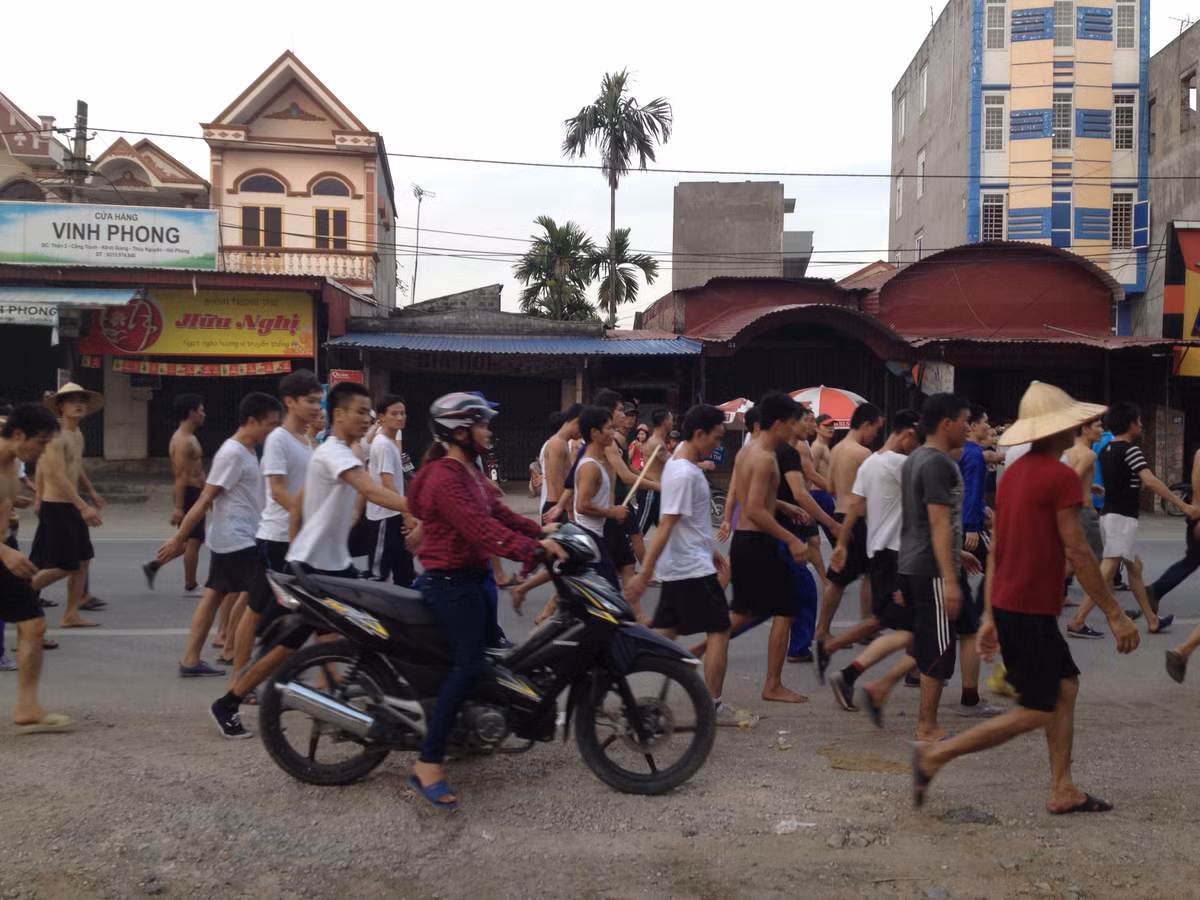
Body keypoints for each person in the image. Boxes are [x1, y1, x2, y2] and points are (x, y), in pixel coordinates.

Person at [913, 382, 1140, 813]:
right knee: (1036, 709)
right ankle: (936, 755)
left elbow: (999, 549)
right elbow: (1076, 548)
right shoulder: (1059, 476)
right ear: (1059, 428)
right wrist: (1114, 613)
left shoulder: (1014, 474)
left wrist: (990, 617)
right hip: (1029, 610)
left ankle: (1063, 787)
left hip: (1014, 606)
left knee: (1066, 686)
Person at [207, 381, 410, 739]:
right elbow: (370, 489)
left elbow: (299, 503)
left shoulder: (327, 451)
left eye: (370, 413)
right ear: (339, 414)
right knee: (334, 636)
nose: (368, 419)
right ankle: (236, 701)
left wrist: (297, 546)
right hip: (319, 571)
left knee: (321, 641)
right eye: (360, 412)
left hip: (323, 566)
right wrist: (432, 508)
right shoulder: (333, 453)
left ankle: (331, 704)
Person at [403, 392, 564, 809]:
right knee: (469, 665)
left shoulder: (469, 472)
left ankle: (465, 732)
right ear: (459, 431)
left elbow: (500, 515)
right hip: (449, 584)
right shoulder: (444, 477)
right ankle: (427, 764)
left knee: (487, 660)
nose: (488, 431)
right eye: (482, 424)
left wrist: (543, 533)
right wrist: (533, 551)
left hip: (471, 583)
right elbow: (481, 532)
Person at [158, 393, 282, 677]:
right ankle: (232, 652)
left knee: (215, 596)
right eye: (271, 424)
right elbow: (205, 499)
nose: (273, 431)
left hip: (237, 534)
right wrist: (179, 538)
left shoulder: (249, 449)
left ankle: (191, 660)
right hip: (237, 538)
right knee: (253, 598)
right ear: (252, 421)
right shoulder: (233, 452)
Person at [626, 404, 736, 718]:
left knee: (664, 633)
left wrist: (708, 547)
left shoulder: (681, 465)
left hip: (687, 563)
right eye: (715, 438)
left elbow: (688, 520)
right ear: (699, 434)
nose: (717, 445)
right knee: (719, 629)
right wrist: (643, 575)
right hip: (690, 569)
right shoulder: (684, 472)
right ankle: (712, 704)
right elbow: (666, 526)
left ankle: (613, 667)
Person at [220, 369, 323, 692]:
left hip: (300, 538)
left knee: (306, 610)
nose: (316, 407)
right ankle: (238, 679)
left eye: (319, 401)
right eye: (310, 401)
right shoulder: (279, 439)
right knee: (254, 610)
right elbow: (276, 489)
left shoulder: (306, 440)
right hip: (276, 537)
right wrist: (301, 519)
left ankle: (312, 677)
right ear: (290, 402)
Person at [901, 394, 991, 743]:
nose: (969, 427)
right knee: (938, 648)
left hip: (918, 563)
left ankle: (929, 721)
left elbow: (922, 521)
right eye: (966, 420)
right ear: (946, 424)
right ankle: (926, 726)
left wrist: (958, 554)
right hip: (931, 570)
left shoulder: (916, 458)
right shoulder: (938, 463)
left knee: (931, 642)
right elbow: (938, 523)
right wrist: (950, 578)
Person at [1066, 402, 1197, 638]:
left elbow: (1118, 482)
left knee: (1135, 568)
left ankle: (1152, 619)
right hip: (1122, 518)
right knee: (1107, 569)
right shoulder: (1130, 450)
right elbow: (1149, 481)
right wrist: (1183, 505)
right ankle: (1078, 620)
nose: (1141, 424)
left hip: (1111, 514)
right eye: (1138, 420)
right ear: (1130, 424)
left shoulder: (1104, 449)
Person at [823, 410, 921, 711]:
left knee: (898, 620)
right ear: (909, 433)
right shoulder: (900, 463)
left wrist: (841, 542)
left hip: (877, 548)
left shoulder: (869, 461)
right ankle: (848, 669)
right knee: (911, 624)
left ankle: (913, 671)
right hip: (897, 552)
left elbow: (851, 500)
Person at [728, 391, 809, 704]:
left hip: (748, 541)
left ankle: (709, 641)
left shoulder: (749, 451)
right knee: (783, 607)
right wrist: (790, 538)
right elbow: (754, 509)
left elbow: (756, 498)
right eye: (792, 424)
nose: (794, 430)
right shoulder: (764, 458)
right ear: (778, 423)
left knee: (757, 609)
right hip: (758, 541)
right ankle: (772, 685)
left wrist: (785, 507)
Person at [1, 404, 72, 732]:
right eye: (40, 442)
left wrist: (12, 506)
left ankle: (27, 707)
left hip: (4, 551)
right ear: (18, 435)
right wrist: (4, 552)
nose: (43, 450)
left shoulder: (13, 461)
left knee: (33, 625)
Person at [30, 383, 106, 628]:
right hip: (58, 506)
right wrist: (81, 506)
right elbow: (56, 474)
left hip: (72, 505)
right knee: (63, 565)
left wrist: (92, 491)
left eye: (81, 399)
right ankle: (15, 591)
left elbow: (76, 466)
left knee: (83, 560)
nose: (78, 404)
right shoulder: (55, 436)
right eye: (71, 400)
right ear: (60, 406)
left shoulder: (77, 434)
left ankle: (70, 614)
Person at [814, 403, 883, 642]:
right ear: (865, 425)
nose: (875, 435)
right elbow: (874, 491)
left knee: (842, 577)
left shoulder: (836, 450)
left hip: (839, 514)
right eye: (875, 429)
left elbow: (830, 487)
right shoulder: (863, 454)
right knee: (864, 574)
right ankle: (861, 627)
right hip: (858, 518)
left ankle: (824, 629)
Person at [143, 394, 207, 593]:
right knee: (193, 541)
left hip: (196, 493)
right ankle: (190, 585)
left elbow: (198, 469)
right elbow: (180, 476)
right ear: (191, 413)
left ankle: (153, 565)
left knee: (188, 540)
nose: (203, 414)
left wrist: (206, 494)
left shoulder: (191, 437)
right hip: (187, 493)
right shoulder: (180, 441)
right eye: (201, 410)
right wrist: (178, 507)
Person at [568, 406, 627, 589]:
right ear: (594, 433)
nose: (613, 433)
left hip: (595, 537)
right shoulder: (590, 467)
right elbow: (582, 506)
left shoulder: (596, 463)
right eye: (609, 428)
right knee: (609, 595)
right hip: (590, 538)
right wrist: (612, 512)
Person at [366, 394, 417, 588]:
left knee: (404, 571)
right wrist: (406, 513)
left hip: (393, 515)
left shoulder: (390, 443)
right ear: (382, 417)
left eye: (402, 413)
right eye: (394, 414)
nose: (400, 417)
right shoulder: (383, 445)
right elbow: (388, 483)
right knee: (377, 576)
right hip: (384, 517)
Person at [1145, 446, 1200, 616]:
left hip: (1196, 512)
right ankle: (1157, 589)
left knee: (1192, 559)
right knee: (1192, 559)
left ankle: (1157, 589)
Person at [636, 409, 673, 534]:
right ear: (665, 422)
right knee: (639, 532)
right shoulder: (657, 443)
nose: (672, 422)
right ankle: (628, 553)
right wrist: (700, 464)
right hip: (650, 492)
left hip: (659, 491)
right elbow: (675, 462)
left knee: (666, 532)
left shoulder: (659, 441)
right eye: (671, 419)